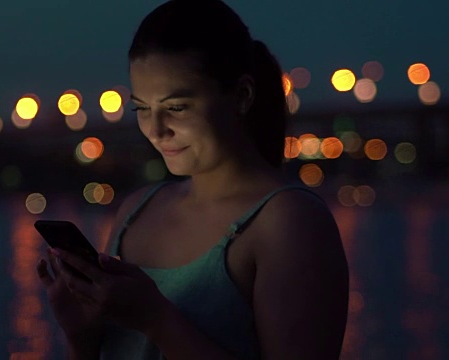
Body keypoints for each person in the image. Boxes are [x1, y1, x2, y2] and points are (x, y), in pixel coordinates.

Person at [36, 1, 349, 359]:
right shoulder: (137, 211)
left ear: (241, 96)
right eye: (141, 108)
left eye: (177, 107)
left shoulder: (289, 221)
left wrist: (157, 321)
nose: (156, 130)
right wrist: (82, 335)